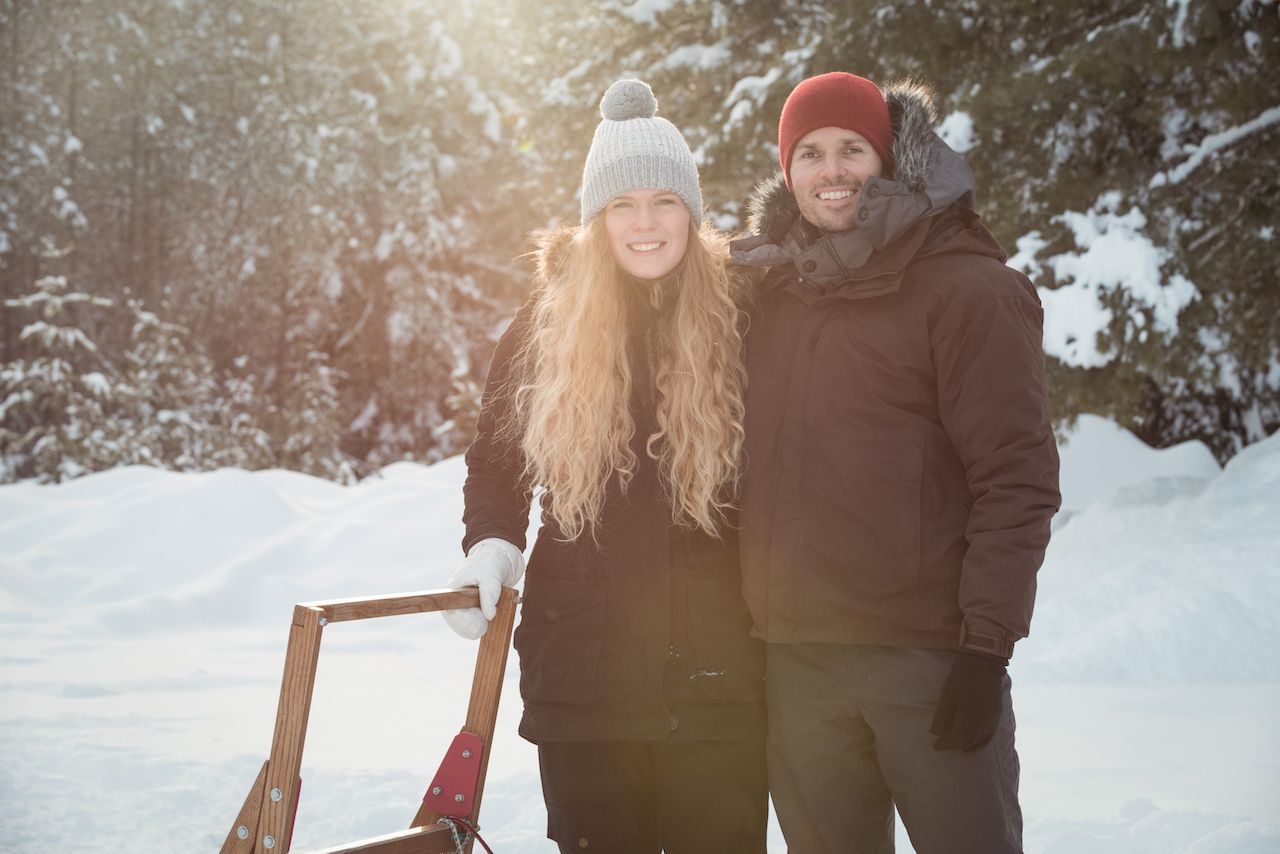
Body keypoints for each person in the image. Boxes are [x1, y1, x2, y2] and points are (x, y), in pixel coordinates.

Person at [729, 72, 1062, 853]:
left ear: (889, 158)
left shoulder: (970, 289)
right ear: (787, 172)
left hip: (929, 661)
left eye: (853, 148)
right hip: (797, 666)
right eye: (809, 153)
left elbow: (1016, 479)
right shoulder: (766, 297)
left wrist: (985, 650)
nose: (832, 170)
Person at [443, 79, 767, 854]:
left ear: (691, 211)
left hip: (718, 679)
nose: (645, 223)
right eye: (623, 204)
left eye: (664, 201)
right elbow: (497, 461)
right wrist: (491, 544)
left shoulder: (744, 315)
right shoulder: (546, 322)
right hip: (585, 674)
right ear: (597, 217)